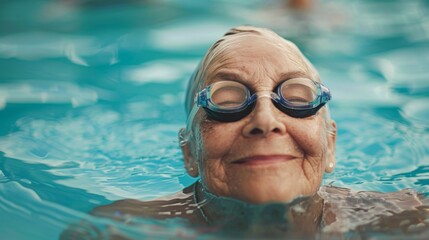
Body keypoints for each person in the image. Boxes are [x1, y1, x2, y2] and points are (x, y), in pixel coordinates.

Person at [61, 26, 428, 239]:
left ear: (330, 144)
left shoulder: (407, 219)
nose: (265, 120)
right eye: (228, 98)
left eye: (296, 97)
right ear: (190, 151)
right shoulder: (118, 231)